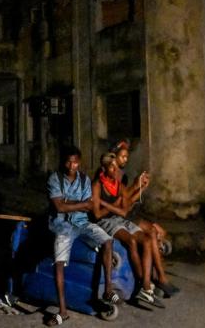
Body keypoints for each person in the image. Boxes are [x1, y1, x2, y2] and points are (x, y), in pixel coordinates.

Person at [45, 146, 119, 326]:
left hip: (82, 223)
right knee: (60, 264)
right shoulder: (54, 178)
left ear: (79, 162)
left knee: (108, 240)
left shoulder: (85, 179)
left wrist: (68, 202)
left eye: (75, 161)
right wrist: (77, 203)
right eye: (69, 161)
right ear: (64, 161)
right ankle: (63, 311)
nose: (72, 165)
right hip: (62, 225)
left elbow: (88, 206)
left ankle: (108, 290)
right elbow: (59, 208)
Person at [91, 153, 163, 308]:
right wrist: (113, 205)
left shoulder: (118, 185)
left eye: (116, 167)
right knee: (130, 240)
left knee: (147, 239)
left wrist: (141, 188)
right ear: (104, 168)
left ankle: (146, 287)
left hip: (118, 218)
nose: (115, 170)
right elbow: (97, 214)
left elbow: (125, 209)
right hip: (105, 221)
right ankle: (142, 283)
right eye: (112, 167)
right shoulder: (97, 185)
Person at [109, 140, 180, 296]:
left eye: (126, 157)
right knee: (153, 233)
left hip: (128, 214)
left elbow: (128, 202)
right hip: (121, 218)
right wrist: (137, 187)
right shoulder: (110, 176)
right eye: (123, 157)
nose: (125, 160)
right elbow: (123, 207)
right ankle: (159, 278)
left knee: (159, 232)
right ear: (113, 157)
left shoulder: (122, 176)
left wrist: (141, 188)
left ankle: (158, 277)